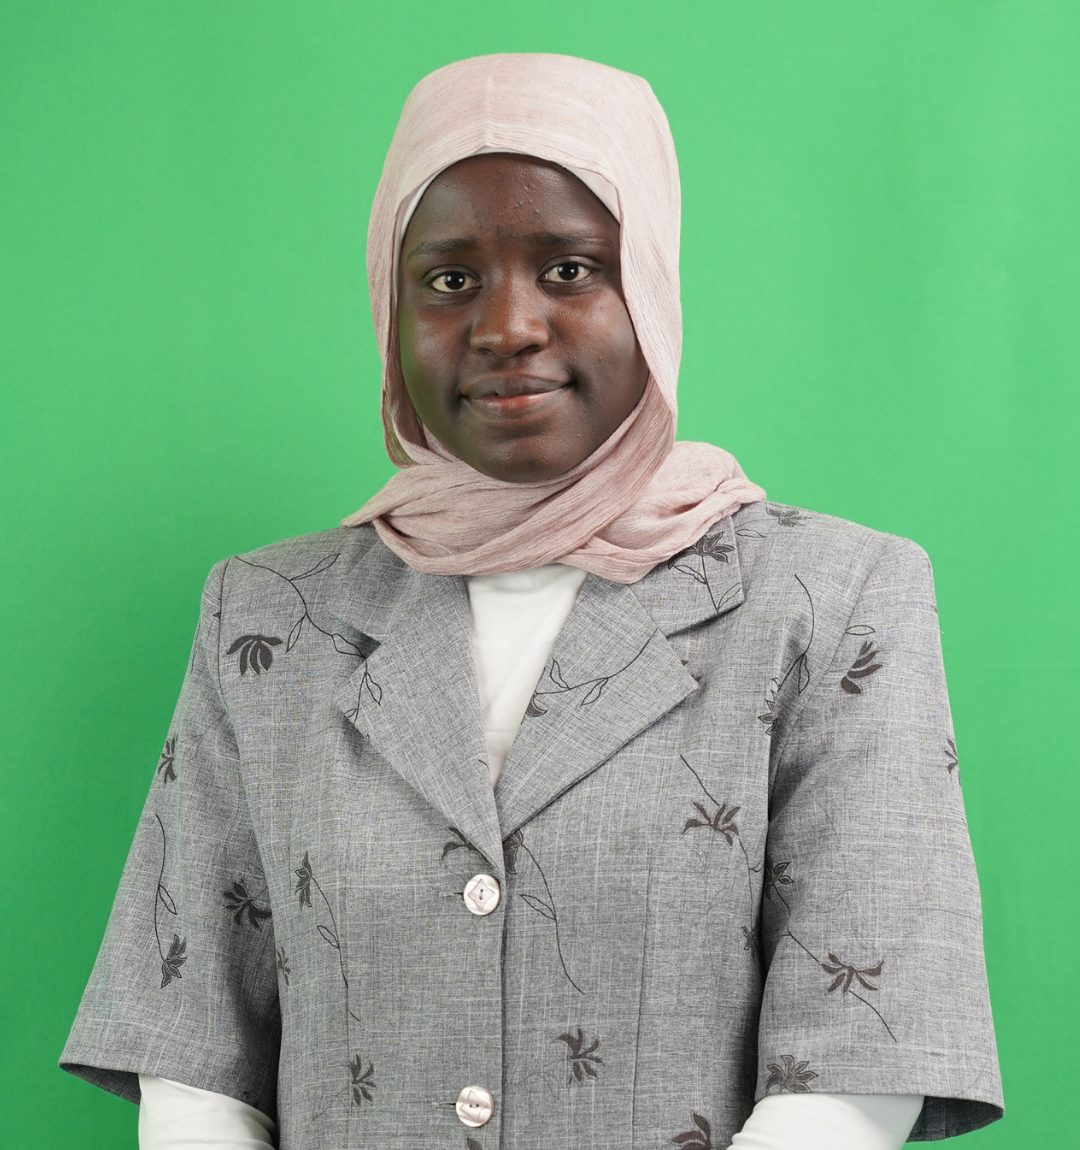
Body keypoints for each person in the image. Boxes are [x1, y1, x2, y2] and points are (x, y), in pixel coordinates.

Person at [61, 53, 1003, 1149]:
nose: (506, 325)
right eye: (449, 280)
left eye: (568, 268)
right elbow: (192, 1055)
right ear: (390, 306)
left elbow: (857, 1055)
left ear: (650, 286)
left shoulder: (831, 600)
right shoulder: (267, 617)